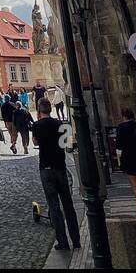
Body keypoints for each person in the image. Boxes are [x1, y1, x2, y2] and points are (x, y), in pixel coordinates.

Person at [31, 98, 80, 251]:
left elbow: (35, 143)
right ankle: (76, 239)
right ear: (50, 109)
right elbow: (67, 145)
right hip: (60, 167)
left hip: (46, 168)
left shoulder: (37, 125)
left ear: (39, 110)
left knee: (54, 206)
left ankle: (63, 241)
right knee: (68, 204)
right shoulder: (61, 125)